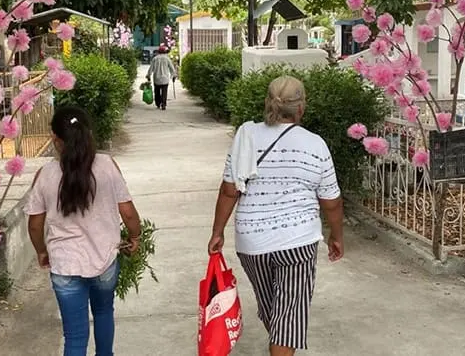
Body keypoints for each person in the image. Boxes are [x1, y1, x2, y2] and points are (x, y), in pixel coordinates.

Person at [207, 75, 344, 356]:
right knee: (287, 316)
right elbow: (331, 201)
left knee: (276, 311)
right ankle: (282, 344)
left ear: (267, 103)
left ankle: (281, 343)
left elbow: (229, 190)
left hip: (252, 243)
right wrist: (336, 236)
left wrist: (217, 232)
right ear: (301, 108)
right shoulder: (315, 144)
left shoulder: (246, 136)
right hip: (298, 242)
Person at [24, 106, 142, 356]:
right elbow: (129, 213)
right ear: (88, 134)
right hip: (104, 262)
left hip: (64, 265)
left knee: (75, 337)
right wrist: (135, 236)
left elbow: (34, 225)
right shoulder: (107, 165)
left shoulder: (45, 175)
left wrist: (41, 251)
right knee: (103, 312)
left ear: (55, 139)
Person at [146, 44, 176, 110]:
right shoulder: (167, 58)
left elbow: (151, 68)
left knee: (157, 92)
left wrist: (148, 75)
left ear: (158, 52)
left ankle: (158, 103)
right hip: (165, 79)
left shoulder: (155, 58)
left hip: (157, 78)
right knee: (164, 92)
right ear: (165, 52)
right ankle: (163, 105)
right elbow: (172, 68)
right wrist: (174, 75)